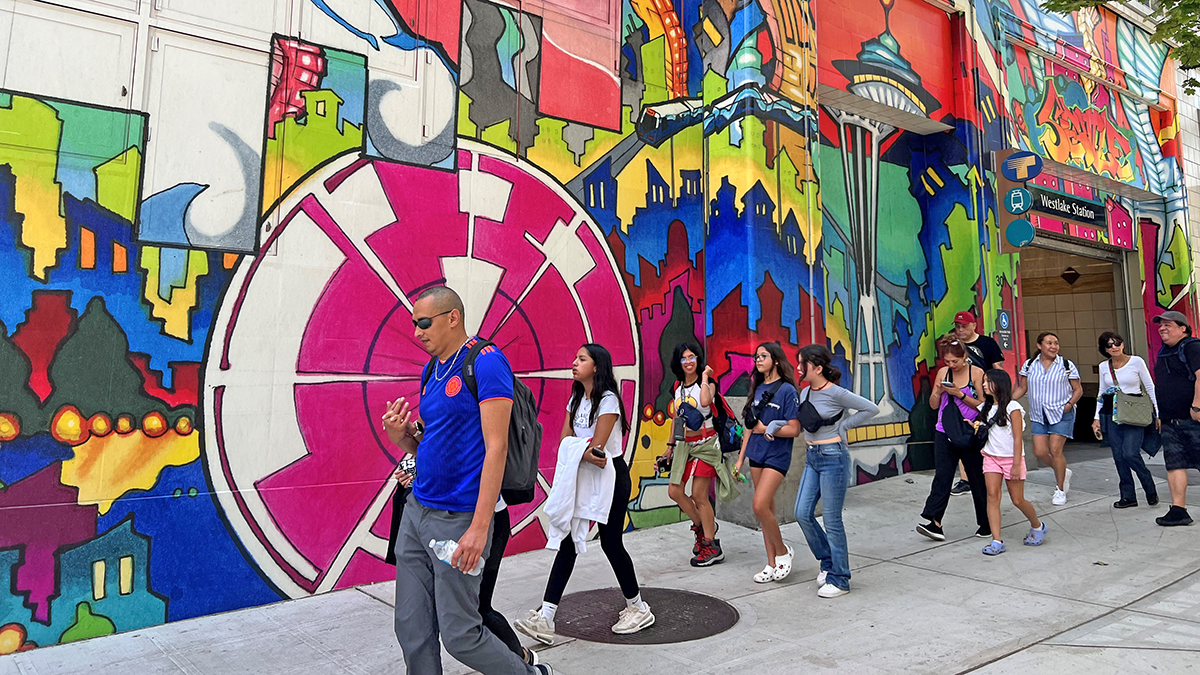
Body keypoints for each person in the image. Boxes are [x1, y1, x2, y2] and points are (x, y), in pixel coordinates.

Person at [385, 286, 550, 675]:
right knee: (411, 627)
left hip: (459, 518)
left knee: (461, 635)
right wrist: (401, 436)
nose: (417, 331)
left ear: (453, 317)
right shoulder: (433, 368)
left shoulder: (487, 363)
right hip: (417, 512)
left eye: (424, 323)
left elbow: (497, 448)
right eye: (413, 324)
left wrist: (479, 528)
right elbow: (432, 443)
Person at [514, 344, 654, 643]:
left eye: (581, 359)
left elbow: (599, 452)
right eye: (575, 357)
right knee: (568, 542)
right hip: (581, 476)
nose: (574, 363)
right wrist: (582, 450)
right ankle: (546, 616)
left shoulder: (608, 401)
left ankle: (638, 608)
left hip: (611, 478)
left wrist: (581, 449)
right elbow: (566, 441)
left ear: (596, 366)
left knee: (611, 543)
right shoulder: (576, 400)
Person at [381, 451, 541, 667]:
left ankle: (523, 663)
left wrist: (479, 528)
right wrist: (414, 462)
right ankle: (523, 661)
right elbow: (428, 443)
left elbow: (493, 450)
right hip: (431, 511)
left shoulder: (484, 419)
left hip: (474, 518)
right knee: (416, 625)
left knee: (471, 620)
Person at [792, 345, 878, 598]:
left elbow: (870, 408)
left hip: (833, 458)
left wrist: (845, 427)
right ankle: (828, 562)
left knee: (832, 520)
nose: (798, 368)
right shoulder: (805, 392)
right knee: (802, 513)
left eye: (802, 364)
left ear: (817, 368)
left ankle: (840, 578)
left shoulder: (837, 392)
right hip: (812, 457)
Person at [734, 342, 801, 583]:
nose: (758, 360)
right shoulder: (758, 388)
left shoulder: (787, 391)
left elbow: (794, 429)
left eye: (763, 356)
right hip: (756, 454)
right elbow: (749, 427)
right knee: (766, 511)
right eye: (756, 356)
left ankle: (783, 552)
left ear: (775, 359)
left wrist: (765, 428)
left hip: (777, 456)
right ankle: (771, 563)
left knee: (759, 505)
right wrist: (740, 459)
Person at [917, 337, 989, 541]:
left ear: (964, 357)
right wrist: (938, 392)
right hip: (944, 430)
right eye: (947, 362)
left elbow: (983, 405)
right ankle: (934, 522)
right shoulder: (943, 373)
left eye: (954, 362)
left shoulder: (976, 373)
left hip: (968, 431)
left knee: (976, 478)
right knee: (943, 476)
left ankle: (986, 523)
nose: (951, 365)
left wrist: (959, 394)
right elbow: (932, 405)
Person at [663, 342, 725, 566]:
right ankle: (703, 526)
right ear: (678, 362)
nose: (688, 361)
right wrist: (670, 446)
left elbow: (706, 401)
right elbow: (677, 419)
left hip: (706, 443)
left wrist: (706, 377)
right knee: (674, 491)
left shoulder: (707, 384)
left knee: (699, 494)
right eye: (684, 358)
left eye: (692, 357)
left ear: (698, 359)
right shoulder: (678, 386)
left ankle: (711, 544)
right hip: (684, 445)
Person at [974, 370, 1046, 554]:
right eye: (983, 381)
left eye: (987, 381)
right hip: (990, 457)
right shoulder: (985, 407)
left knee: (1017, 499)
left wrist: (1015, 464)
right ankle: (996, 540)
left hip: (1011, 459)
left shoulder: (1013, 407)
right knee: (992, 496)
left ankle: (1037, 526)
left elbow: (1017, 438)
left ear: (999, 384)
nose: (983, 385)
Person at [1091, 331, 1160, 509]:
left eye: (1117, 343)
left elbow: (1150, 387)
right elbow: (1101, 392)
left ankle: (1149, 487)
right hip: (1113, 414)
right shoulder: (1104, 366)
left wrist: (1158, 413)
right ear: (1104, 349)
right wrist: (1096, 418)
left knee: (1130, 453)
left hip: (1134, 413)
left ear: (1123, 344)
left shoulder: (1136, 361)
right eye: (1109, 345)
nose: (1114, 347)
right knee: (1119, 457)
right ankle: (1128, 496)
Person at [1014, 332, 1082, 506]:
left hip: (1061, 413)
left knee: (1055, 450)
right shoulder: (1029, 365)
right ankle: (1062, 471)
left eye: (1056, 343)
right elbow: (1023, 387)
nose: (1053, 347)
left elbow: (1078, 389)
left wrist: (1069, 404)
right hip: (1038, 414)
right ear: (1039, 345)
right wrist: (1007, 401)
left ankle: (1060, 489)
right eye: (1049, 343)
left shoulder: (1066, 365)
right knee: (1039, 452)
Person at [1151, 311, 1200, 526]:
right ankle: (1179, 510)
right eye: (1161, 325)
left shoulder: (1192, 346)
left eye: (1168, 325)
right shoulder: (1164, 351)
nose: (1162, 328)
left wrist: (1197, 406)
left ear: (1183, 328)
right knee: (1174, 465)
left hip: (1193, 419)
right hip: (1170, 420)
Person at [950, 312, 1006, 497]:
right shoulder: (955, 345)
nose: (960, 330)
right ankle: (965, 479)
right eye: (958, 326)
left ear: (974, 325)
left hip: (986, 395)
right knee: (962, 433)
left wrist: (1000, 393)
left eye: (964, 326)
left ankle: (988, 471)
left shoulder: (987, 344)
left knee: (984, 433)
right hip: (961, 395)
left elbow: (998, 368)